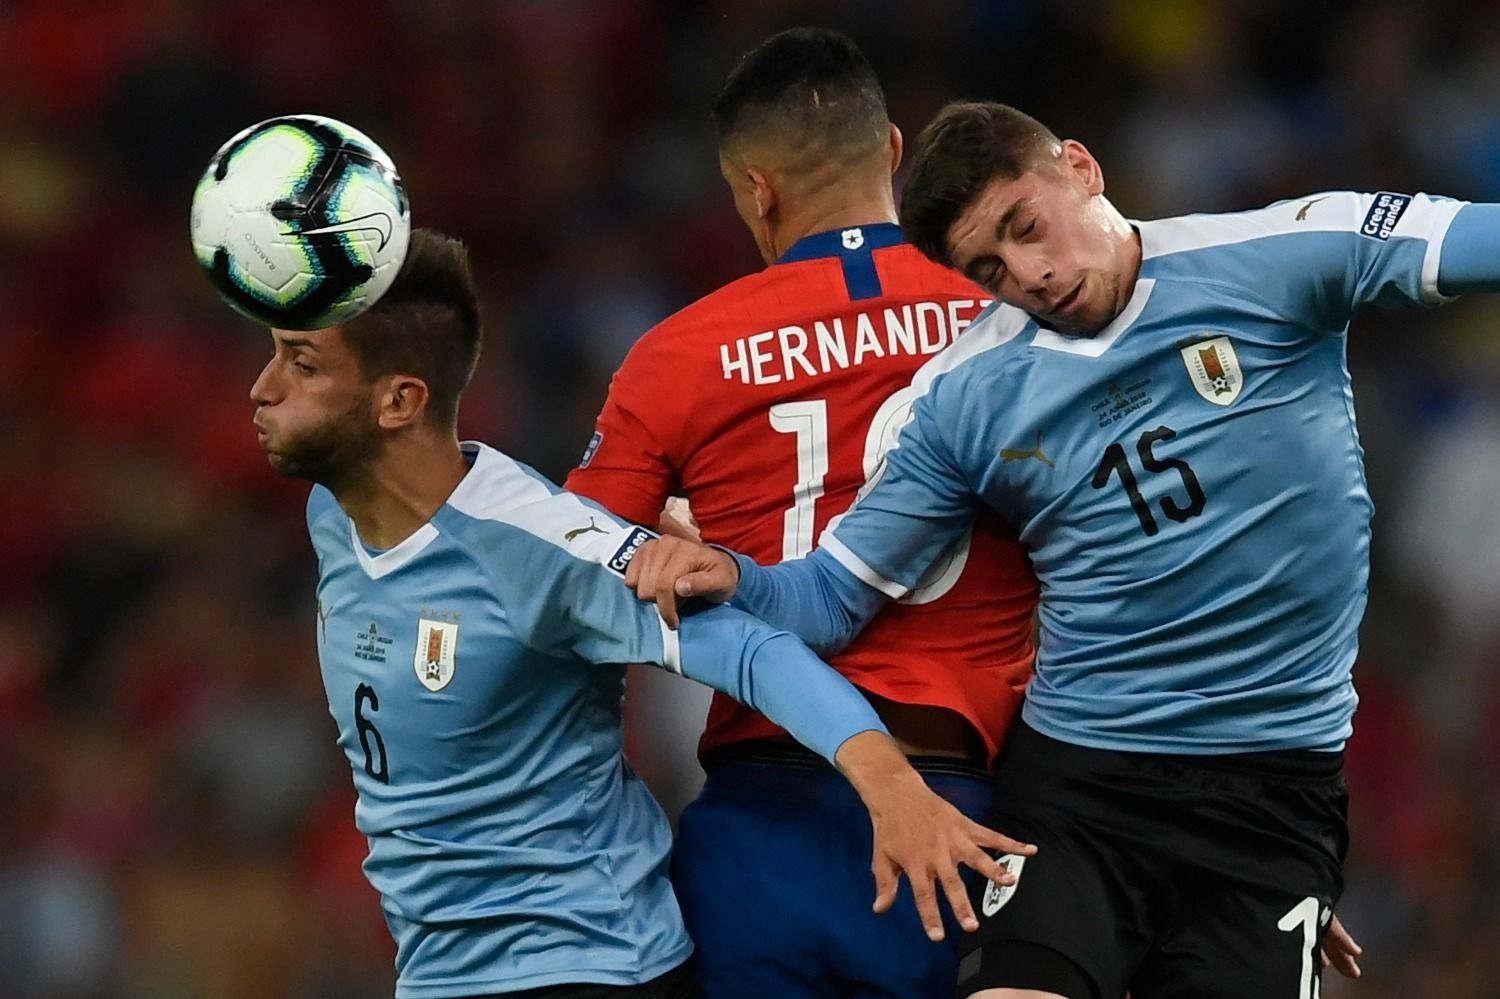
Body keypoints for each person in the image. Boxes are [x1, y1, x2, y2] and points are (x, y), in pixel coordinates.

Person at [619, 100, 1474, 999]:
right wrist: (735, 577)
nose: (1030, 273)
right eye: (989, 268)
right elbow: (833, 598)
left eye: (1026, 227)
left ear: (1080, 167)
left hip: (1271, 798)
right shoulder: (964, 393)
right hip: (1082, 790)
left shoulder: (1286, 255)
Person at [244, 227, 1029, 999]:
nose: (263, 386)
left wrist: (889, 784)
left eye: (301, 363)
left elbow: (755, 651)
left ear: (400, 401)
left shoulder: (543, 550)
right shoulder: (335, 513)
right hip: (440, 972)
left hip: (590, 963)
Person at [564, 29, 1037, 999]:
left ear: (755, 190)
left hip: (757, 840)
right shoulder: (1013, 323)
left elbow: (572, 580)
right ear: (895, 153)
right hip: (963, 829)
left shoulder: (676, 355)